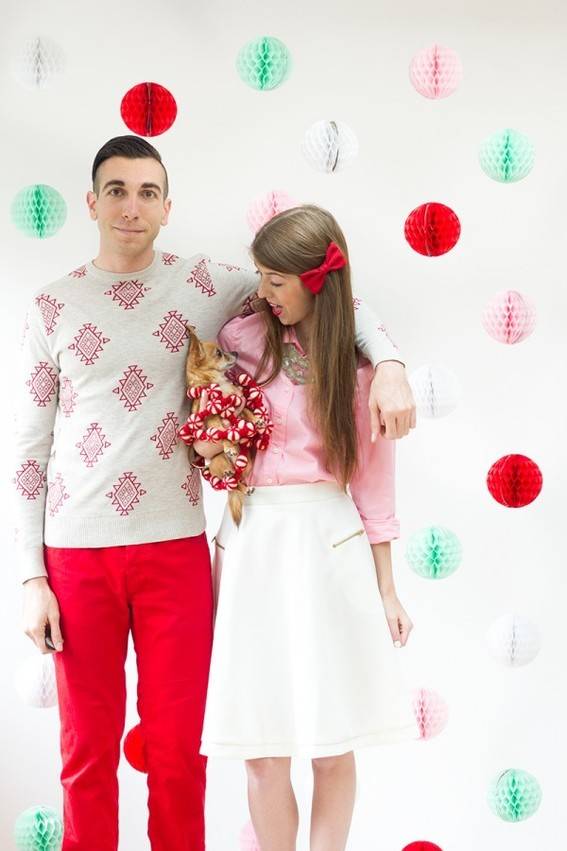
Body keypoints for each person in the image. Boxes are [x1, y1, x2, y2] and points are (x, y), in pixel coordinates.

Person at [13, 137, 416, 851]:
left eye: (146, 192)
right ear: (91, 202)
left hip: (177, 548)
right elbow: (28, 451)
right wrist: (29, 575)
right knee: (86, 754)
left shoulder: (210, 285)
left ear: (169, 207)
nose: (130, 206)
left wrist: (386, 360)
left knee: (179, 755)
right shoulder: (51, 305)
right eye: (115, 190)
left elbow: (328, 289)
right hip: (75, 550)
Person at [196, 205, 420, 851]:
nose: (262, 291)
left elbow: (375, 491)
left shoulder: (362, 375)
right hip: (250, 543)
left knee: (330, 738)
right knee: (260, 745)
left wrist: (386, 589)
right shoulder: (240, 337)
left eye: (275, 279)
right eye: (261, 276)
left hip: (330, 546)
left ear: (314, 279)